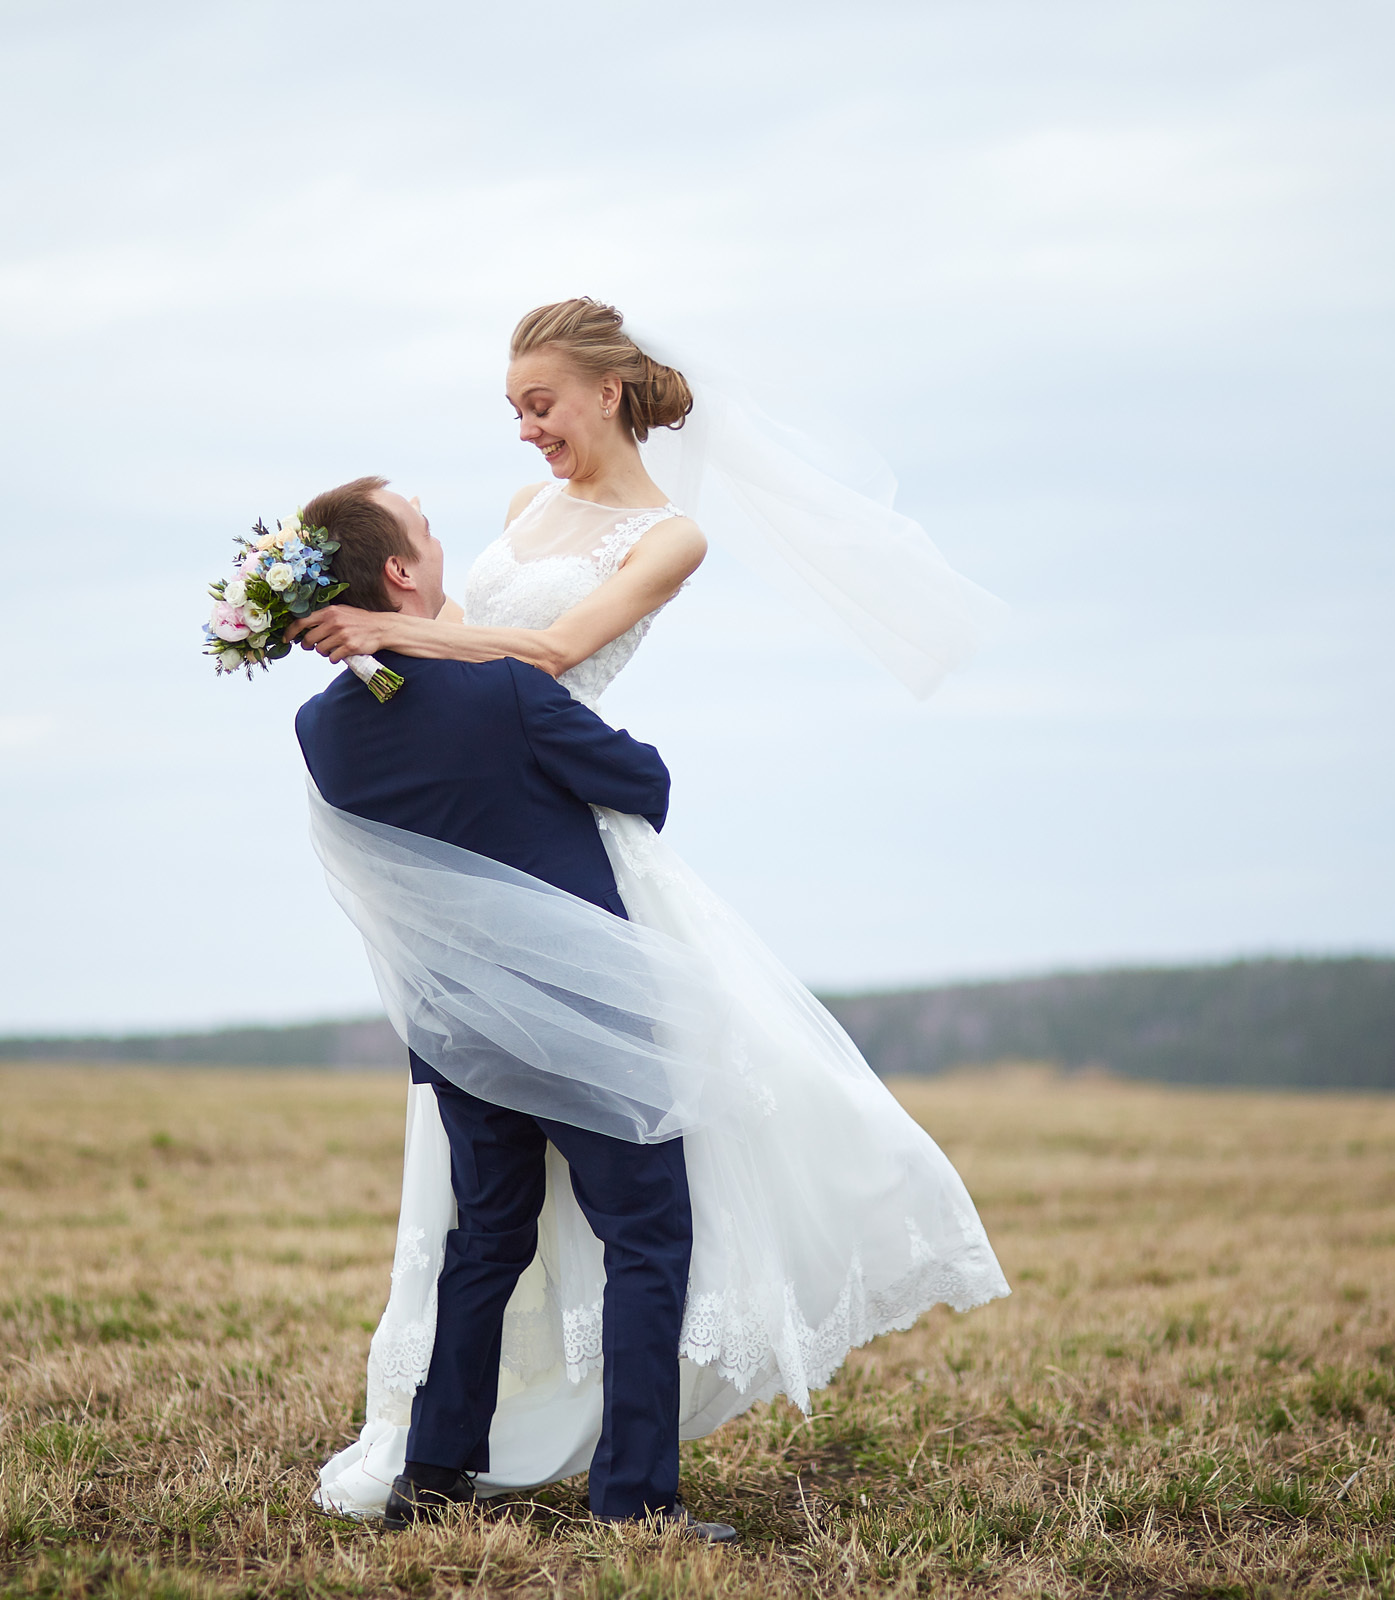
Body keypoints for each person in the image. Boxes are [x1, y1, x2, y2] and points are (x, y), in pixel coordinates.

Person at [298, 298, 1010, 1522]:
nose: (524, 432)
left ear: (609, 391)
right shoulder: (525, 517)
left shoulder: (671, 539)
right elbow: (500, 669)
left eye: (540, 403)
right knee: (622, 1207)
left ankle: (450, 1464)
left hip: (553, 838)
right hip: (543, 830)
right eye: (513, 409)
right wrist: (407, 651)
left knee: (506, 1214)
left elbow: (557, 646)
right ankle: (624, 1489)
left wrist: (394, 630)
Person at [292, 476, 732, 1538]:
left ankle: (433, 1477)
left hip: (457, 1029)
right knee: (646, 1237)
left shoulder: (322, 730)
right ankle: (634, 1501)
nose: (445, 545)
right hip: (582, 1009)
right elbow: (643, 783)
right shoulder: (501, 687)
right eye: (428, 533)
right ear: (399, 574)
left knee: (485, 1239)